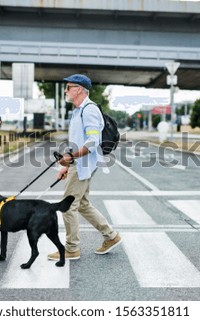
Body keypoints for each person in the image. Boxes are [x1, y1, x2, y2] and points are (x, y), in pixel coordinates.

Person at [48, 74, 121, 261]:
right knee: (82, 204)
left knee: (68, 206)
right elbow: (77, 141)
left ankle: (72, 249)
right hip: (79, 164)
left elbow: (92, 142)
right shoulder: (78, 111)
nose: (66, 90)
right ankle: (111, 236)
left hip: (84, 164)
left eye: (69, 87)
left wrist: (72, 158)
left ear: (79, 89)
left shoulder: (89, 110)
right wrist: (67, 165)